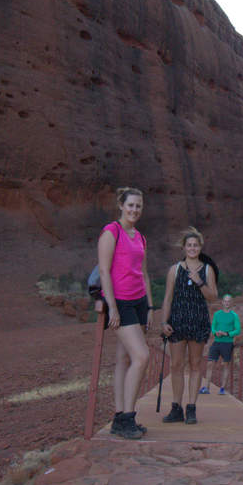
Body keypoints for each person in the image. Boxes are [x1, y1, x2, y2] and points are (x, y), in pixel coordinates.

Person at [93, 187, 156, 439]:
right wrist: (112, 307)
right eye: (130, 205)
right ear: (121, 205)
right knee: (142, 356)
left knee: (124, 359)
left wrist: (149, 307)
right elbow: (104, 271)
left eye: (138, 206)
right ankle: (128, 417)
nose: (134, 210)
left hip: (139, 301)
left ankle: (120, 417)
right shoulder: (111, 232)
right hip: (121, 303)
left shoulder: (140, 237)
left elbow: (144, 273)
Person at [160, 227, 218, 424]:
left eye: (196, 245)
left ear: (200, 247)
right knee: (176, 365)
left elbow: (213, 297)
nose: (192, 248)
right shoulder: (174, 270)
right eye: (189, 245)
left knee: (195, 364)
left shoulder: (207, 270)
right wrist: (164, 322)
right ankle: (176, 408)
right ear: (183, 247)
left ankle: (191, 408)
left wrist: (200, 282)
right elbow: (168, 298)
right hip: (177, 321)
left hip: (198, 321)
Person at [200, 294, 241, 395]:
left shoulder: (234, 315)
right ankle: (206, 387)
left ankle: (222, 389)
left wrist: (227, 333)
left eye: (229, 301)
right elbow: (213, 327)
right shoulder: (217, 314)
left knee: (226, 365)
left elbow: (238, 330)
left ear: (231, 303)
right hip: (217, 342)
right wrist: (216, 332)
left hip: (228, 343)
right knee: (210, 363)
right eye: (225, 301)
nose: (227, 303)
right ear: (222, 302)